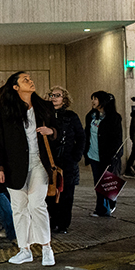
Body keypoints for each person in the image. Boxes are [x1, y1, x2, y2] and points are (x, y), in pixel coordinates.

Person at [0, 72, 59, 266]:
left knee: (37, 204)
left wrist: (52, 131)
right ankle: (24, 249)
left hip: (39, 162)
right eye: (25, 80)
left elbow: (59, 130)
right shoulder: (3, 111)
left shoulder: (44, 106)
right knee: (18, 208)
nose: (30, 81)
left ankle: (46, 248)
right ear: (15, 87)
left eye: (30, 78)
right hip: (13, 166)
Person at [46, 86, 85, 234]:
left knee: (66, 193)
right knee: (49, 193)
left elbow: (81, 137)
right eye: (52, 95)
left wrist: (76, 156)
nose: (54, 98)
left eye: (58, 95)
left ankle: (63, 224)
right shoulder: (45, 116)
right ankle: (52, 221)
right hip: (50, 160)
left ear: (64, 99)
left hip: (67, 161)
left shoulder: (71, 116)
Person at [84, 91, 123, 217]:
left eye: (95, 99)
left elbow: (116, 139)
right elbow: (86, 133)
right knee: (98, 183)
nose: (93, 101)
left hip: (107, 155)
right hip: (93, 154)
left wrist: (115, 155)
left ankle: (110, 204)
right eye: (92, 99)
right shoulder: (91, 116)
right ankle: (101, 208)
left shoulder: (114, 118)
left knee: (108, 182)